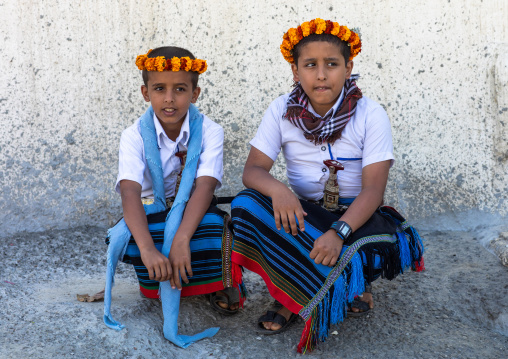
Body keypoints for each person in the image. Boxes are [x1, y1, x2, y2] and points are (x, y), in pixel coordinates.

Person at [231, 19, 424, 353]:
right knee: (246, 205)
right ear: (295, 72)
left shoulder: (370, 114)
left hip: (356, 218)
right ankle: (290, 295)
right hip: (303, 213)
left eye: (332, 64)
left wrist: (339, 232)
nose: (321, 75)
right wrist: (280, 191)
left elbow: (373, 190)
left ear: (348, 68)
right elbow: (253, 170)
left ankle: (351, 282)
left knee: (366, 252)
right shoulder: (280, 110)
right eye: (310, 65)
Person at [107, 46, 244, 318]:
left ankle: (219, 285)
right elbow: (130, 192)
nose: (169, 99)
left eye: (180, 89)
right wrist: (146, 249)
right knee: (135, 236)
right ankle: (158, 281)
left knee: (215, 227)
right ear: (145, 93)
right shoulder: (133, 135)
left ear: (195, 93)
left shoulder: (209, 131)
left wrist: (181, 237)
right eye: (159, 89)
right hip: (151, 208)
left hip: (194, 206)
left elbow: (205, 187)